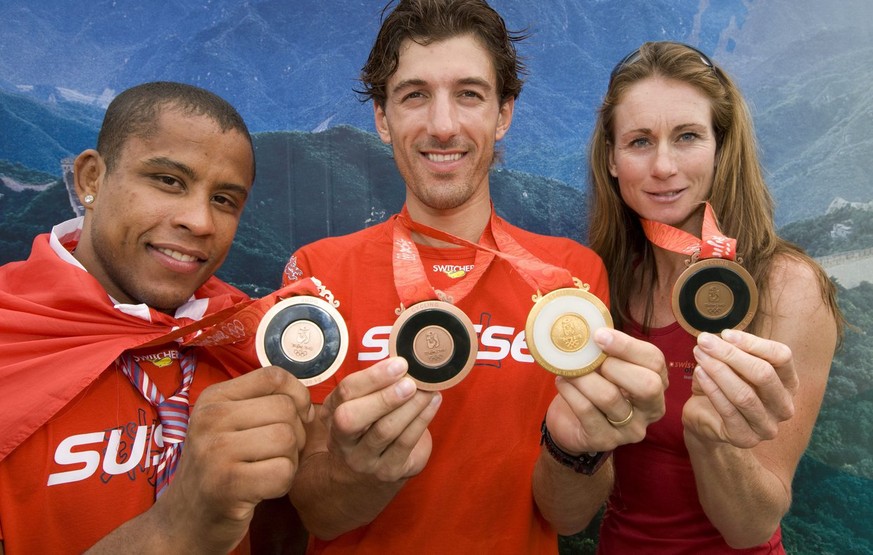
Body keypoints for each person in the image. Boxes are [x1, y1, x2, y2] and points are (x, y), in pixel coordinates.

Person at [281, 1, 668, 552]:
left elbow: (568, 518)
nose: (443, 126)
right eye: (415, 95)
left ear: (503, 113)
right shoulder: (318, 274)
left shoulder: (572, 280)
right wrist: (359, 474)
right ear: (382, 119)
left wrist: (574, 453)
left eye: (469, 94)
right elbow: (316, 512)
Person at [0, 81, 313, 554]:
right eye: (168, 181)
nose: (201, 221)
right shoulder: (11, 335)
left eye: (225, 200)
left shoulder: (243, 341)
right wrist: (177, 528)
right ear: (90, 179)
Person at [586, 41, 843, 553]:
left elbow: (751, 526)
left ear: (721, 148)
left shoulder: (787, 288)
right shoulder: (603, 282)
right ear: (612, 160)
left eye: (687, 137)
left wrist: (710, 439)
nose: (663, 166)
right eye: (639, 141)